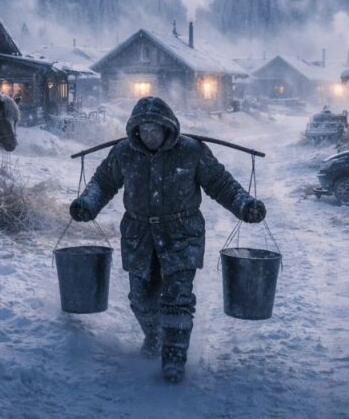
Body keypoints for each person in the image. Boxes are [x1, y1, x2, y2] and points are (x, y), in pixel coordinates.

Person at [69, 96, 266, 384]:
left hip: (182, 235)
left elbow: (221, 184)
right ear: (136, 130)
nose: (149, 135)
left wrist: (245, 204)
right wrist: (87, 204)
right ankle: (155, 335)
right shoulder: (124, 153)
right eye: (143, 130)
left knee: (177, 298)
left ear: (166, 127)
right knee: (140, 299)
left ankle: (174, 357)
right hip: (139, 237)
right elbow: (103, 182)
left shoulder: (191, 151)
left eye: (154, 130)